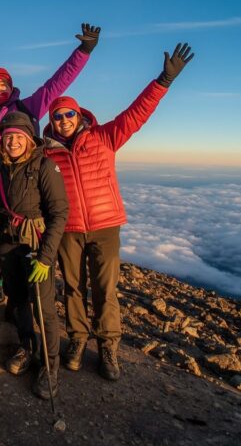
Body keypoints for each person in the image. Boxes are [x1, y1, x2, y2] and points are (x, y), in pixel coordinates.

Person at [43, 43, 196, 381]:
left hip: (105, 226)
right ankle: (78, 340)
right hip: (68, 228)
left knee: (105, 289)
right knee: (73, 288)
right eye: (58, 116)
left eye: (69, 115)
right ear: (51, 121)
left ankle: (108, 346)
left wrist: (163, 81)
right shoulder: (46, 153)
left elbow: (136, 114)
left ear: (80, 116)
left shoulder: (104, 137)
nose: (64, 120)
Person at [0, 23, 99, 303]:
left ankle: (36, 291)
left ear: (11, 87)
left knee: (27, 233)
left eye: (3, 84)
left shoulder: (27, 106)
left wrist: (84, 50)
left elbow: (57, 83)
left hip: (27, 177)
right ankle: (1, 283)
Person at [0, 111, 68, 399]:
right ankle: (27, 346)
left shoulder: (44, 166)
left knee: (44, 307)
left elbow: (59, 213)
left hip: (35, 246)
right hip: (7, 242)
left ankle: (50, 366)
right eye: (8, 137)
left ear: (30, 140)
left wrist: (46, 258)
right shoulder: (0, 167)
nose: (13, 142)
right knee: (18, 299)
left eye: (18, 137)